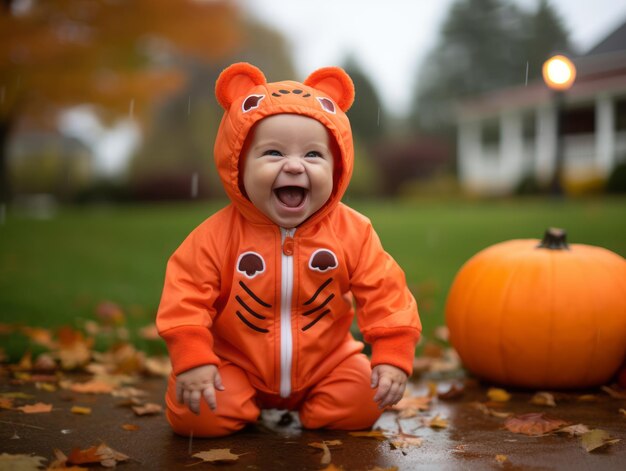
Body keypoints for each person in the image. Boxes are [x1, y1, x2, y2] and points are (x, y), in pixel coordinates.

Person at [156, 63, 421, 437]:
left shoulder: (353, 232)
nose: (295, 166)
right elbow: (184, 296)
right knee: (196, 413)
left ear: (338, 166)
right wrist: (194, 359)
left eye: (314, 155)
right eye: (273, 153)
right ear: (238, 164)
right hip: (235, 361)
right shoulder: (215, 236)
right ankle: (239, 406)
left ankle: (318, 410)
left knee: (363, 398)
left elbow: (386, 292)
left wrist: (393, 353)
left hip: (327, 363)